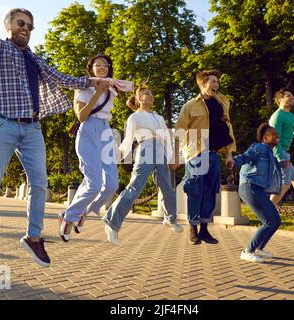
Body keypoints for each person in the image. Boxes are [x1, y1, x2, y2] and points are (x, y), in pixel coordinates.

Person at [0, 0, 105, 281]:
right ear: (9, 26)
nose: (25, 29)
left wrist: (93, 82)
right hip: (2, 125)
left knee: (40, 184)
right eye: (20, 23)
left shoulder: (35, 59)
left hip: (32, 129)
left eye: (29, 25)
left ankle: (33, 237)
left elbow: (62, 78)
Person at [102, 84, 183, 245]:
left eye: (151, 93)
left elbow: (166, 137)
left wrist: (174, 157)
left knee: (167, 186)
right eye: (146, 94)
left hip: (160, 151)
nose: (151, 96)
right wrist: (119, 154)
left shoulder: (158, 117)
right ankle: (111, 222)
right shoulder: (135, 118)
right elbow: (128, 138)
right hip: (145, 149)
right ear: (139, 99)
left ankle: (170, 218)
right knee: (135, 187)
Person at [58, 54, 120, 242]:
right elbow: (81, 116)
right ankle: (69, 217)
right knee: (93, 183)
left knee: (111, 184)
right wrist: (97, 93)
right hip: (88, 129)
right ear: (91, 69)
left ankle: (82, 211)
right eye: (98, 65)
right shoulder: (82, 88)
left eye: (105, 65)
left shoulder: (112, 89)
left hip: (106, 130)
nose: (102, 67)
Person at [175, 70, 237, 245]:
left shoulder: (222, 103)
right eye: (212, 82)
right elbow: (179, 130)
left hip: (214, 154)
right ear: (202, 84)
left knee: (210, 192)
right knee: (195, 191)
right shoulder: (189, 105)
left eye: (217, 82)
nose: (216, 85)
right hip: (196, 153)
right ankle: (193, 229)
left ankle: (204, 230)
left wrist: (229, 152)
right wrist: (175, 155)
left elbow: (227, 130)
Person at [232, 123, 282, 263]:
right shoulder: (259, 148)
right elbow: (245, 157)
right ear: (265, 138)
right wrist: (232, 161)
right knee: (268, 221)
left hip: (258, 189)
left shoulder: (270, 153)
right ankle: (247, 251)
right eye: (274, 134)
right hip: (249, 187)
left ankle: (259, 248)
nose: (277, 136)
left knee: (276, 221)